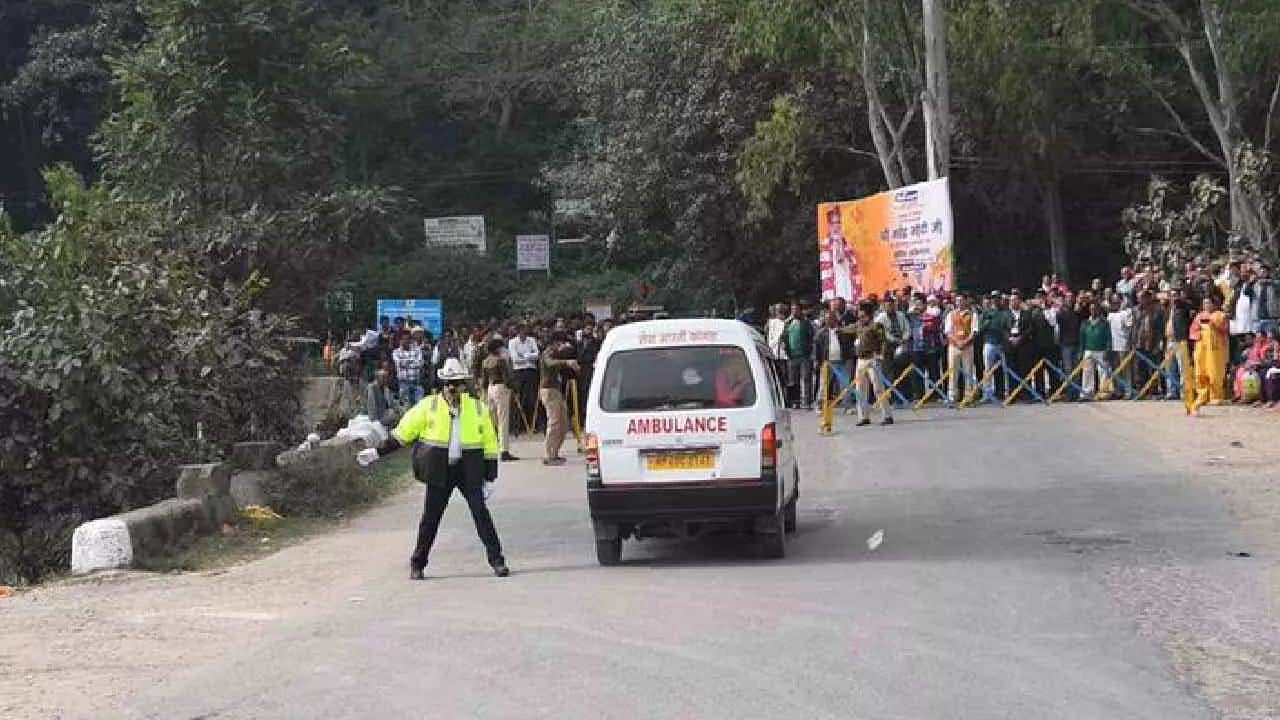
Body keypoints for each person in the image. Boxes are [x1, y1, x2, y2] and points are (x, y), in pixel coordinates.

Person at [359, 358, 508, 580]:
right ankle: (417, 564)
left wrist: (490, 476)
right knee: (430, 518)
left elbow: (489, 442)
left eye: (456, 383)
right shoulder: (428, 406)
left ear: (463, 385)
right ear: (442, 385)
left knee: (481, 515)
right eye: (448, 383)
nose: (451, 388)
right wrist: (377, 452)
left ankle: (497, 562)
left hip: (468, 470)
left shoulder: (477, 408)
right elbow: (403, 433)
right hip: (440, 471)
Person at [538, 332, 580, 465]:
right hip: (549, 390)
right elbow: (550, 363)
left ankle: (555, 453)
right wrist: (567, 362)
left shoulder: (556, 353)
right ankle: (549, 455)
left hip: (556, 390)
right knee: (555, 422)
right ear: (556, 343)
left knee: (563, 423)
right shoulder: (548, 353)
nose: (563, 346)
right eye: (561, 343)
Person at [851, 305, 892, 426]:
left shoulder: (876, 326)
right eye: (859, 316)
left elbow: (883, 341)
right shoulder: (859, 325)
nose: (860, 318)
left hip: (872, 358)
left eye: (863, 316)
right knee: (860, 389)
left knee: (878, 388)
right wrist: (840, 329)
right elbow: (850, 328)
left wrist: (881, 355)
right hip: (860, 359)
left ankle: (887, 415)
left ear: (869, 316)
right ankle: (863, 416)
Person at [479, 338, 519, 462]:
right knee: (503, 421)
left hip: (490, 389)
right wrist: (515, 390)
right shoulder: (501, 361)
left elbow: (484, 381)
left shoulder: (485, 362)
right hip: (501, 388)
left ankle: (490, 447)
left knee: (492, 421)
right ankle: (504, 451)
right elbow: (507, 378)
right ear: (497, 349)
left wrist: (483, 393)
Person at [1191, 296, 1230, 412]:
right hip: (1202, 349)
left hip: (1215, 350)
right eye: (1204, 303)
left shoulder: (1220, 315)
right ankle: (1202, 396)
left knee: (1215, 374)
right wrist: (1197, 333)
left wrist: (1215, 325)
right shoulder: (1199, 316)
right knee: (1200, 372)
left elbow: (1226, 330)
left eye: (1208, 303)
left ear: (1214, 304)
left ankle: (1215, 396)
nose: (1206, 306)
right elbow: (1193, 330)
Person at [944, 293, 977, 403]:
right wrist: (957, 342)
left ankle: (968, 395)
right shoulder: (951, 314)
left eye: (961, 300)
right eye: (957, 301)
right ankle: (952, 395)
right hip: (954, 346)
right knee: (953, 371)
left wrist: (965, 342)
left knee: (968, 371)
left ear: (966, 301)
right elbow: (948, 332)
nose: (959, 303)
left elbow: (974, 331)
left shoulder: (972, 314)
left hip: (968, 346)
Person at [976, 292, 1010, 399]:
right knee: (988, 369)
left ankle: (1005, 392)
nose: (995, 300)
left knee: (1004, 369)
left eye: (997, 298)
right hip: (989, 342)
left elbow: (1007, 327)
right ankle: (987, 393)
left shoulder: (1004, 312)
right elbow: (979, 329)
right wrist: (987, 322)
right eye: (993, 298)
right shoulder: (986, 313)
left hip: (1001, 344)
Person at [507, 325, 540, 435]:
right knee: (519, 399)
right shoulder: (512, 342)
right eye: (521, 331)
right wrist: (529, 357)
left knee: (531, 399)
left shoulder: (532, 340)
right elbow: (515, 359)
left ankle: (532, 425)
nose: (523, 333)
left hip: (531, 372)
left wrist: (525, 356)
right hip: (519, 373)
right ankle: (518, 426)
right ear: (518, 332)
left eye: (525, 330)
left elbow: (537, 355)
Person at [1132, 290, 1166, 393]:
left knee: (1153, 367)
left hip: (1152, 343)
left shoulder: (1157, 310)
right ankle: (1141, 390)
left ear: (1149, 298)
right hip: (1139, 343)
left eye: (1144, 297)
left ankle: (1154, 389)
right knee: (1139, 367)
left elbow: (1161, 329)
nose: (1141, 299)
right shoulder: (1136, 310)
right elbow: (1134, 328)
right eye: (1140, 297)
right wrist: (1133, 342)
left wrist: (1159, 343)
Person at [1163, 287, 1193, 401]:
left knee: (1182, 368)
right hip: (1169, 341)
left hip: (1180, 340)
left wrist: (1180, 300)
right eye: (1171, 295)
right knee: (1169, 367)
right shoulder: (1168, 308)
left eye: (1175, 295)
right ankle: (1172, 391)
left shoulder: (1183, 307)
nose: (1173, 297)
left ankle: (1183, 392)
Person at [1079, 303, 1112, 400]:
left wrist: (1107, 350)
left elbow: (1108, 338)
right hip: (1088, 350)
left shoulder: (1104, 323)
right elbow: (1082, 339)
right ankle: (1087, 392)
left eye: (1095, 309)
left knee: (1103, 372)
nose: (1093, 311)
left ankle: (1103, 392)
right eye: (1091, 309)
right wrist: (1081, 352)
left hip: (1101, 351)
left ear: (1099, 310)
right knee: (1087, 371)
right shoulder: (1085, 323)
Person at [784, 303, 814, 408]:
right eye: (792, 310)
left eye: (796, 309)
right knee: (793, 380)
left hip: (804, 355)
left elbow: (811, 337)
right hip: (792, 356)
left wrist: (810, 351)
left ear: (801, 310)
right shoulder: (788, 323)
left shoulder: (806, 323)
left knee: (806, 378)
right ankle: (795, 401)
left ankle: (806, 402)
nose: (794, 312)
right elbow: (784, 337)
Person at [1107, 297, 1135, 396]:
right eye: (1114, 302)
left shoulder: (1126, 313)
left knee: (1126, 370)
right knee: (1115, 370)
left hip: (1124, 345)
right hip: (1113, 346)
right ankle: (1118, 391)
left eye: (1117, 302)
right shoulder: (1110, 315)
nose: (1115, 304)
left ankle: (1128, 391)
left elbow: (1130, 327)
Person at [392, 334, 426, 407]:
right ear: (400, 341)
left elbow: (420, 363)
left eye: (407, 339)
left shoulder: (417, 350)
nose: (405, 341)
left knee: (419, 406)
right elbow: (399, 363)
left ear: (410, 340)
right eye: (403, 339)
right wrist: (413, 361)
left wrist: (405, 362)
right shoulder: (396, 352)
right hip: (403, 383)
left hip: (416, 382)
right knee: (406, 407)